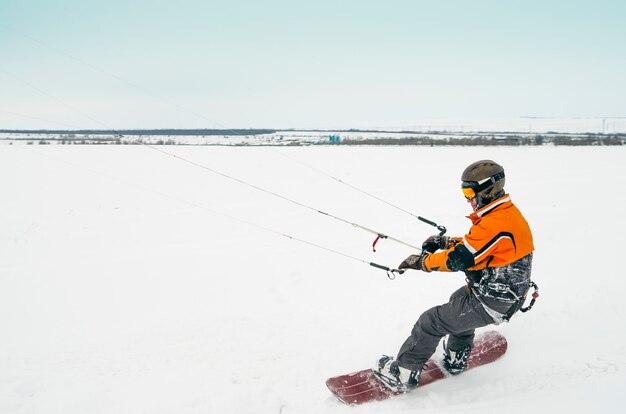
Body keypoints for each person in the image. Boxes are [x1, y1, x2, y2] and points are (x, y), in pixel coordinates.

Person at [373, 160, 535, 392]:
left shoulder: (495, 223)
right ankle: (457, 357)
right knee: (457, 301)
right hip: (497, 293)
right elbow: (478, 246)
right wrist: (445, 241)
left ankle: (405, 372)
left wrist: (421, 262)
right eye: (464, 192)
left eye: (469, 192)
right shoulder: (503, 213)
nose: (467, 199)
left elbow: (458, 259)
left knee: (430, 322)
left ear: (487, 189)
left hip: (494, 302)